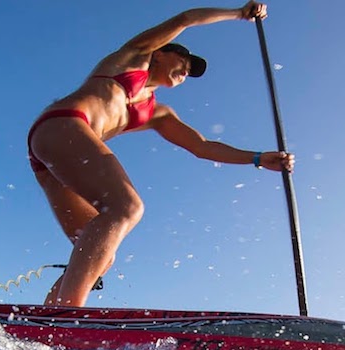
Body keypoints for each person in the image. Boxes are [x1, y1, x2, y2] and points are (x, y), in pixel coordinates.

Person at [27, 2, 295, 307]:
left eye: (191, 72)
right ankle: (70, 312)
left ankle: (45, 318)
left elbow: (202, 146)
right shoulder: (133, 57)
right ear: (160, 52)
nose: (186, 71)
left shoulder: (158, 112)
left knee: (101, 252)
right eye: (183, 60)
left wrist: (258, 158)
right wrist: (239, 13)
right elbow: (186, 18)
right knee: (126, 208)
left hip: (49, 160)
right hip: (62, 124)